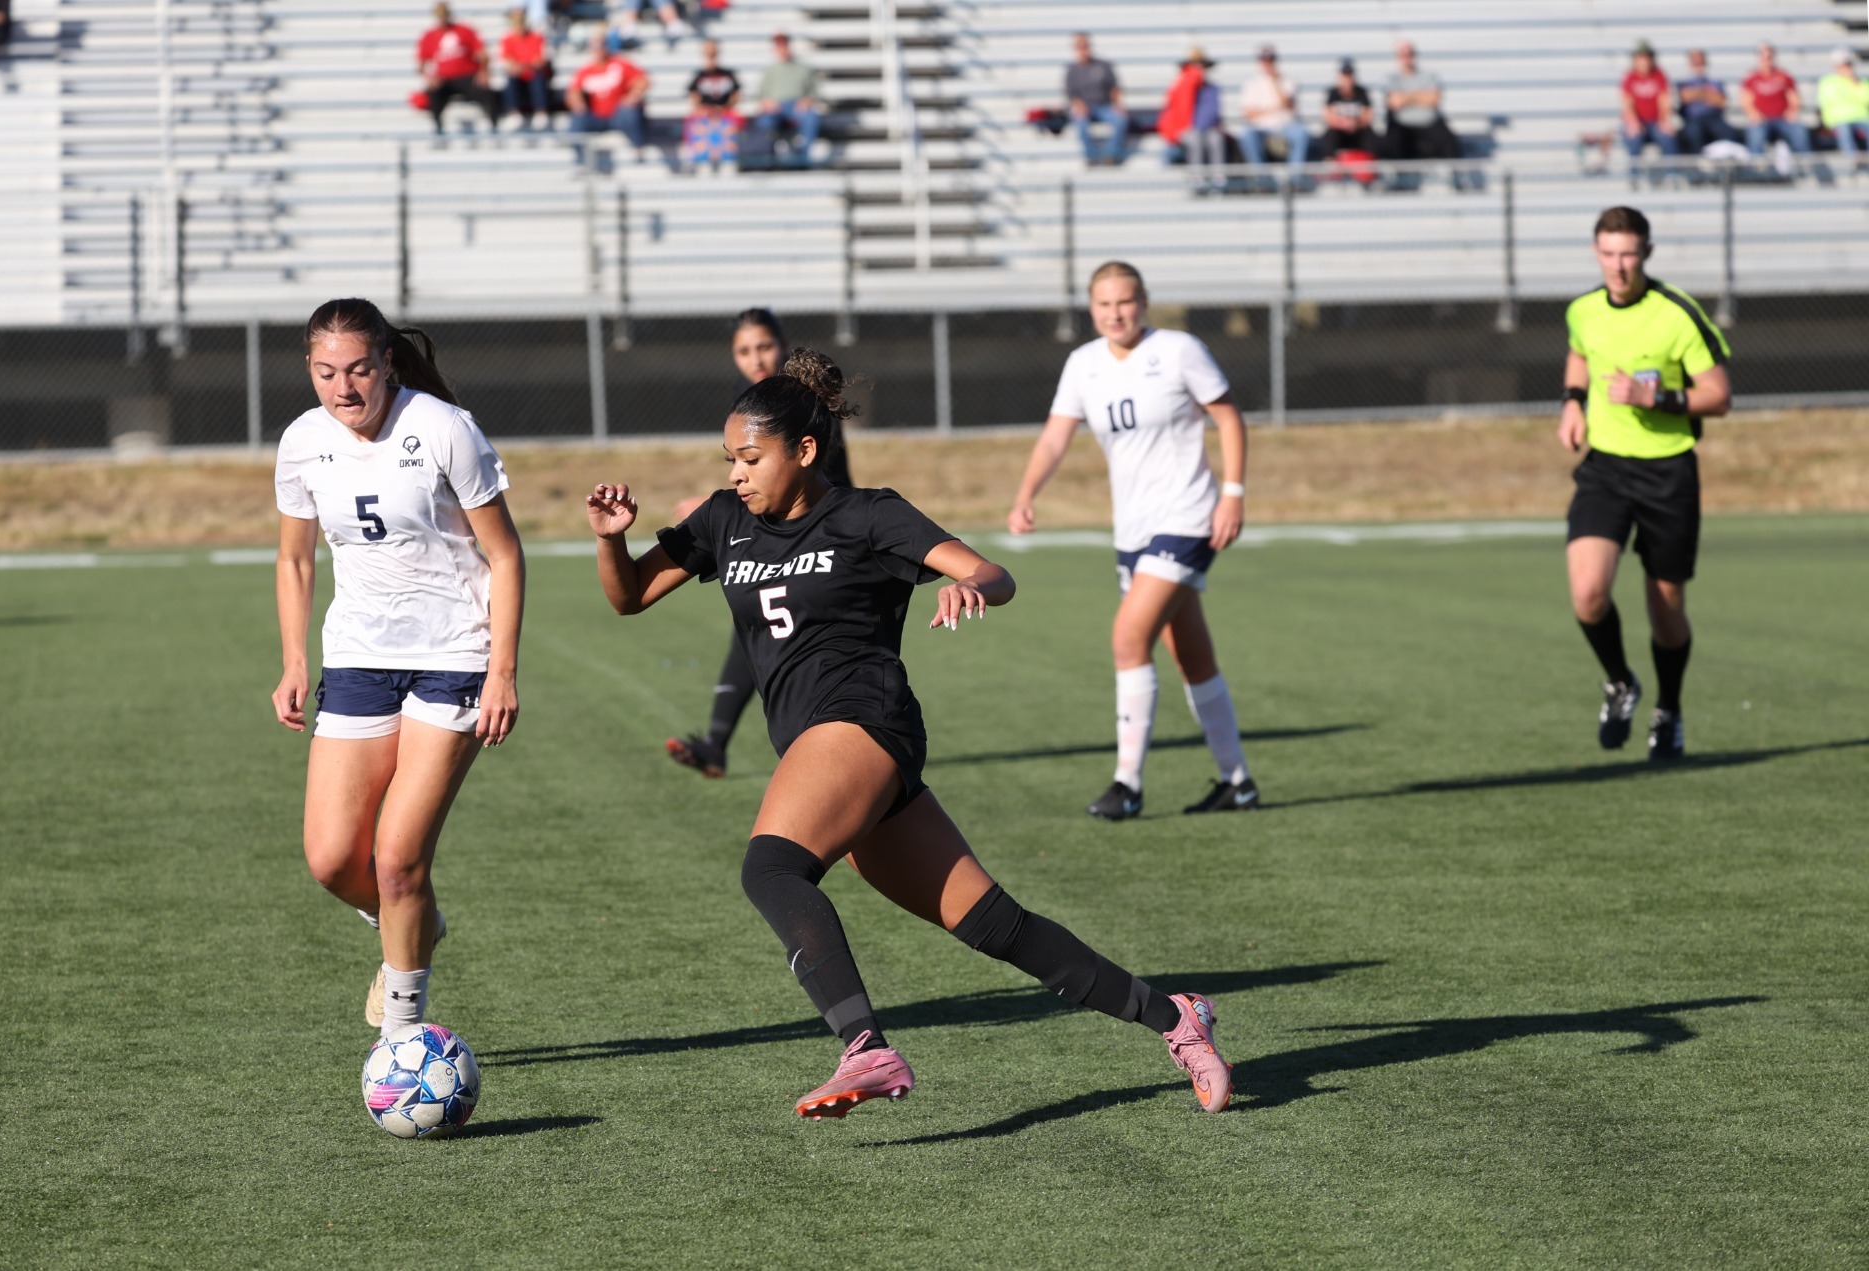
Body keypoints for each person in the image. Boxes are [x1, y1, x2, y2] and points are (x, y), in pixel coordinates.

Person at [585, 349, 1234, 1119]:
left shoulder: (868, 515)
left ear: (805, 450)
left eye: (751, 458)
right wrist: (609, 539)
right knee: (996, 924)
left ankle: (866, 1047)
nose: (737, 474)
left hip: (864, 720)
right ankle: (1177, 1016)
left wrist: (968, 584)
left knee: (770, 871)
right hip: (824, 748)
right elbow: (628, 598)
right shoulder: (724, 522)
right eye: (730, 459)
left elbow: (997, 573)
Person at [270, 297, 526, 1039]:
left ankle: (405, 1035)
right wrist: (294, 658)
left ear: (386, 362)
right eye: (325, 373)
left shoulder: (444, 428)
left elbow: (505, 555)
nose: (343, 388)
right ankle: (416, 924)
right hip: (357, 659)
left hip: (453, 658)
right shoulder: (303, 441)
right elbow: (294, 556)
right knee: (330, 860)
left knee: (398, 859)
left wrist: (502, 670)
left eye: (357, 369)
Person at [1009, 262, 1257, 821]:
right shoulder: (1084, 365)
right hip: (1134, 531)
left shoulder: (1177, 350)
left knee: (1128, 637)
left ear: (1143, 303)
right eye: (1103, 305)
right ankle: (1237, 782)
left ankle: (1127, 783)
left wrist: (1233, 493)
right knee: (1190, 654)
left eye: (1125, 302)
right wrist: (1027, 492)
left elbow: (1230, 418)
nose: (1115, 313)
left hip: (1188, 518)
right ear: (1090, 309)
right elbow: (1055, 436)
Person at [1558, 207, 1731, 763]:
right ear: (1596, 253)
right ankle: (1620, 683)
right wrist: (1572, 404)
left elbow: (1719, 396)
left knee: (1666, 607)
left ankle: (1669, 709)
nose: (1619, 266)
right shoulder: (1583, 309)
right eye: (1609, 254)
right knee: (1588, 595)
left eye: (1629, 253)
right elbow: (1581, 351)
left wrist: (1653, 397)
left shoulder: (1677, 313)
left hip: (1668, 471)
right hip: (1606, 468)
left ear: (1646, 253)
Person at [666, 309, 856, 779]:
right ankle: (720, 743)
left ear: (783, 344)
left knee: (791, 632)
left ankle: (838, 740)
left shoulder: (803, 404)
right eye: (744, 351)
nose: (756, 358)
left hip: (818, 530)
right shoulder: (748, 399)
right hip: (774, 528)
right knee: (756, 624)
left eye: (764, 346)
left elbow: (816, 481)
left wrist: (723, 503)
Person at [416, 3, 498, 135]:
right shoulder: (429, 36)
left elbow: (482, 54)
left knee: (487, 92)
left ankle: (494, 124)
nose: (442, 18)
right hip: (444, 79)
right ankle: (438, 127)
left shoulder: (464, 31)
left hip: (467, 76)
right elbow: (421, 64)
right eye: (439, 15)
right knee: (432, 94)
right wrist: (429, 77)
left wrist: (483, 72)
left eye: (444, 14)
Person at [567, 34, 650, 162]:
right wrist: (578, 102)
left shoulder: (620, 64)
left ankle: (638, 146)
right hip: (596, 116)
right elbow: (573, 92)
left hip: (618, 115)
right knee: (577, 118)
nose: (598, 51)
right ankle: (579, 158)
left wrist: (634, 95)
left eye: (600, 47)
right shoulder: (585, 70)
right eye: (594, 48)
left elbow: (643, 81)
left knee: (629, 110)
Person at [1383, 40, 1462, 162]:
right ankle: (1397, 180)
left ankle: (1455, 177)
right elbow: (1395, 102)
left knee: (1449, 141)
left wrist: (1406, 97)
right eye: (1404, 55)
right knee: (1392, 142)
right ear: (1398, 57)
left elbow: (1435, 100)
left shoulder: (1428, 76)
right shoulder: (1393, 78)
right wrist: (1421, 95)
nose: (1407, 58)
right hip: (1403, 126)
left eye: (1410, 54)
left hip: (1429, 124)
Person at [751, 32, 822, 165]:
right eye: (779, 45)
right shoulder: (770, 70)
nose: (782, 48)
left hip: (797, 107)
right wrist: (768, 103)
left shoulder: (803, 68)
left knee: (811, 118)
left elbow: (814, 92)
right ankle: (767, 159)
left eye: (784, 45)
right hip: (777, 109)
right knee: (764, 121)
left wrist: (806, 100)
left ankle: (803, 158)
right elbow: (762, 95)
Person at [1238, 44, 1309, 175]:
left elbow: (1287, 103)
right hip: (1261, 128)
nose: (1268, 63)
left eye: (1270, 59)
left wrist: (1275, 82)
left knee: (1301, 133)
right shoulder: (1252, 84)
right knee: (1247, 134)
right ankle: (1262, 177)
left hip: (1286, 126)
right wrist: (1274, 108)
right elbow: (1248, 114)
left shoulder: (1288, 81)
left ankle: (1294, 178)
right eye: (1264, 60)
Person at [1157, 48, 1225, 183]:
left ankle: (1219, 176)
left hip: (1204, 129)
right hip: (1186, 130)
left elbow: (1212, 113)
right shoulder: (1181, 86)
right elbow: (1175, 112)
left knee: (1215, 138)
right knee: (1195, 138)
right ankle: (1196, 177)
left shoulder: (1212, 89)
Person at [1065, 32, 1127, 167]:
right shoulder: (1072, 70)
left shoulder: (1103, 66)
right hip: (1085, 108)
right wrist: (1079, 105)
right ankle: (1091, 156)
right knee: (1080, 122)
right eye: (1079, 47)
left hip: (1104, 106)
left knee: (1121, 119)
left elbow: (1115, 88)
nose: (1083, 50)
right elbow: (1071, 94)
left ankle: (1111, 155)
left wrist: (1116, 104)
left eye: (1085, 46)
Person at [1619, 41, 1677, 180]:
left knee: (1668, 138)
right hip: (1638, 122)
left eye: (1647, 58)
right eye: (1641, 58)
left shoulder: (1659, 75)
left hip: (1655, 122)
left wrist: (1663, 121)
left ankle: (1673, 174)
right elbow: (1627, 103)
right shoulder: (1630, 77)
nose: (1644, 62)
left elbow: (1664, 101)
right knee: (1634, 138)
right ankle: (1635, 176)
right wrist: (1633, 122)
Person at [1740, 44, 1808, 160]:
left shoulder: (1784, 76)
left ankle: (1803, 162)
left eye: (1769, 56)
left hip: (1782, 118)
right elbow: (1746, 101)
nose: (1767, 60)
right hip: (1762, 119)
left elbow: (1794, 98)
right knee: (1756, 133)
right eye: (1763, 57)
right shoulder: (1752, 78)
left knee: (1798, 130)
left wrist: (1792, 111)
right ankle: (1757, 167)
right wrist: (1754, 114)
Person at [683, 38, 742, 171]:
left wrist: (723, 109)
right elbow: (694, 98)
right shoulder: (699, 75)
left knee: (734, 122)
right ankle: (698, 160)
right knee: (693, 122)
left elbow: (736, 96)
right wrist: (704, 109)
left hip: (725, 112)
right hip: (706, 112)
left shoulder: (728, 74)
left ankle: (730, 160)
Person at [1675, 49, 1740, 153]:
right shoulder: (1683, 82)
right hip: (1693, 119)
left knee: (1729, 133)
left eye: (1701, 61)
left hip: (1714, 118)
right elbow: (1685, 97)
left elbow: (1721, 101)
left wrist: (1696, 93)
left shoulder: (1715, 81)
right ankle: (1698, 162)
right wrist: (1707, 93)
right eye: (1695, 61)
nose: (1698, 64)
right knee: (1693, 133)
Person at [497, 7, 549, 132]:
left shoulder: (536, 37)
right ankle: (514, 113)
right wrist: (524, 65)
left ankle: (541, 112)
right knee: (511, 78)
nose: (519, 26)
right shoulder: (507, 40)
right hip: (519, 75)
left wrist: (521, 65)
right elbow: (508, 61)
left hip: (534, 74)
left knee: (537, 77)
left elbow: (540, 61)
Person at [1817, 48, 1869, 168]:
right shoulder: (1828, 82)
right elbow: (1830, 102)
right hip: (1838, 118)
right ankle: (1853, 157)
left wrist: (1855, 84)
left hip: (1861, 116)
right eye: (1843, 65)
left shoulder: (1862, 82)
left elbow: (1865, 99)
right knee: (1844, 128)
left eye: (1848, 65)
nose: (1847, 69)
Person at [1320, 56, 1379, 159]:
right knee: (1330, 135)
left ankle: (1370, 166)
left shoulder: (1362, 93)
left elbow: (1368, 116)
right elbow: (1328, 117)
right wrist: (1343, 123)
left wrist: (1355, 123)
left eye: (1349, 75)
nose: (1347, 79)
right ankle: (1329, 165)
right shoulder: (1333, 93)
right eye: (1345, 75)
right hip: (1340, 132)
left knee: (1370, 135)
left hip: (1358, 132)